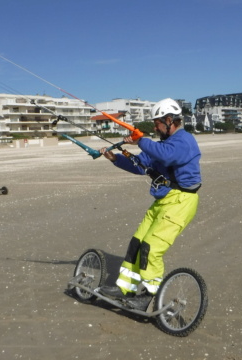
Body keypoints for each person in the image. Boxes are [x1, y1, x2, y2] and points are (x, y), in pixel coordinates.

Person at [98, 98, 202, 311]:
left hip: (181, 201)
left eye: (157, 123)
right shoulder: (160, 146)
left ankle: (149, 295)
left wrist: (140, 140)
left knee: (151, 249)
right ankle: (125, 289)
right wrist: (114, 158)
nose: (155, 127)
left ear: (169, 120)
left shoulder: (184, 140)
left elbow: (169, 156)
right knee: (137, 243)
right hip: (163, 200)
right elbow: (140, 166)